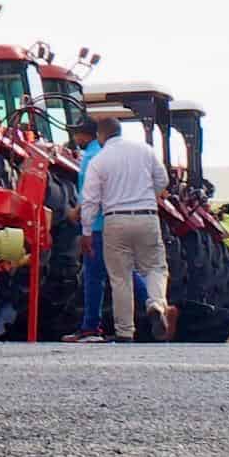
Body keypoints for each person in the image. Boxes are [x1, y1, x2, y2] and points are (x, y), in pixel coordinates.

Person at [74, 117, 172, 342]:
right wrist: (148, 195)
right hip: (147, 216)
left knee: (120, 276)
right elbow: (162, 179)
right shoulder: (145, 150)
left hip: (114, 219)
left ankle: (125, 331)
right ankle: (156, 303)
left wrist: (87, 232)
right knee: (155, 267)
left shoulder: (99, 159)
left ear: (101, 135)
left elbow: (90, 199)